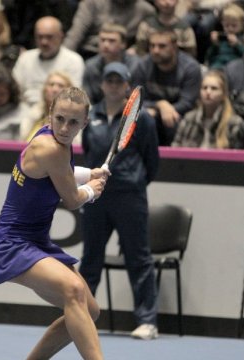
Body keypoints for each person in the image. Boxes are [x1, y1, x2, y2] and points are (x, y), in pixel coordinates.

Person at [0, 87, 109, 360]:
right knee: (73, 290)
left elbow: (61, 172)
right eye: (60, 118)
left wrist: (91, 173)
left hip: (36, 241)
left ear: (84, 123)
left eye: (73, 122)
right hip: (13, 243)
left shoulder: (50, 142)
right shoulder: (51, 147)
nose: (64, 127)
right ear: (50, 113)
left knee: (91, 310)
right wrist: (93, 190)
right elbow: (73, 199)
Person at [79, 62, 160, 340]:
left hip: (130, 198)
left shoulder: (143, 119)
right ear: (102, 84)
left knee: (138, 258)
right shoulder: (91, 116)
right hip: (96, 198)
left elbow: (152, 161)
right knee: (90, 259)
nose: (113, 85)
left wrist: (131, 181)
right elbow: (90, 154)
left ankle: (147, 321)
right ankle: (82, 316)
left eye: (118, 81)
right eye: (108, 80)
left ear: (127, 85)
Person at [172, 70, 243, 148]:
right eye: (204, 88)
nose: (208, 92)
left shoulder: (234, 122)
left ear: (223, 94)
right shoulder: (188, 119)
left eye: (214, 88)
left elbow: (237, 155)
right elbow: (175, 148)